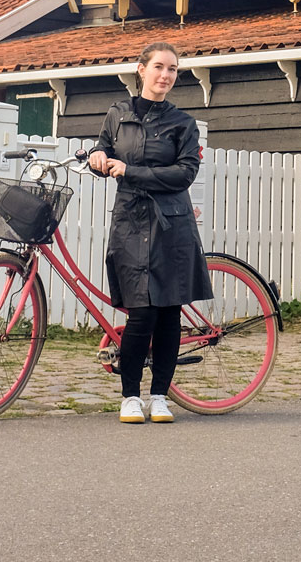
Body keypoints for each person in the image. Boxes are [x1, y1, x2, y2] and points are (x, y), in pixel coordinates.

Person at [88, 41, 212, 424]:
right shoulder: (117, 113)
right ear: (141, 70)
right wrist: (97, 158)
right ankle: (130, 396)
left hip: (171, 225)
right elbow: (104, 149)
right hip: (130, 221)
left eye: (173, 69)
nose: (166, 75)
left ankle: (159, 396)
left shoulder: (183, 124)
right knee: (140, 313)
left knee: (168, 313)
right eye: (159, 66)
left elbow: (184, 174)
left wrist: (131, 171)